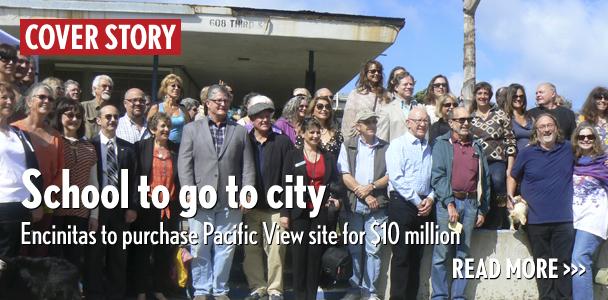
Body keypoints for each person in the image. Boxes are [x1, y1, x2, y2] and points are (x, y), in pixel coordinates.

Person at [178, 84, 255, 300]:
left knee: (225, 248)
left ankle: (220, 289)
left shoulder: (239, 131)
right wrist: (189, 191)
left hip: (230, 199)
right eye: (218, 100)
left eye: (226, 101)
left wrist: (247, 193)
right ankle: (202, 289)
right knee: (200, 245)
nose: (223, 104)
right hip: (200, 198)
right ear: (208, 103)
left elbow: (247, 165)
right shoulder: (191, 129)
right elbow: (184, 164)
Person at [508, 113, 574, 299]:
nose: (546, 129)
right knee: (543, 265)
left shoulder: (569, 148)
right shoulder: (528, 153)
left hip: (564, 219)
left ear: (556, 128)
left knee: (563, 265)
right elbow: (513, 176)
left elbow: (588, 158)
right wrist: (510, 198)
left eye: (549, 125)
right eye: (542, 127)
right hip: (536, 220)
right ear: (536, 131)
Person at [431, 107, 490, 300]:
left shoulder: (477, 146)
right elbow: (438, 177)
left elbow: (485, 179)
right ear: (451, 123)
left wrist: (483, 209)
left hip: (471, 204)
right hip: (447, 204)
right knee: (442, 253)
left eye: (468, 119)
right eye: (461, 120)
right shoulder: (441, 144)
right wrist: (449, 203)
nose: (465, 123)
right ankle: (439, 296)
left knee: (463, 255)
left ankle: (458, 297)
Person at [281, 117, 343, 300]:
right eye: (311, 132)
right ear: (303, 134)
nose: (315, 136)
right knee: (300, 257)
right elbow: (286, 185)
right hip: (299, 213)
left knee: (315, 257)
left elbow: (335, 182)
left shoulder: (328, 157)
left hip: (320, 213)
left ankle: (311, 296)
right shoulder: (293, 156)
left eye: (318, 132)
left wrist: (335, 198)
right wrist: (285, 213)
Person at [85, 103, 138, 300]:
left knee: (118, 255)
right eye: (108, 117)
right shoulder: (89, 146)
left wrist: (132, 207)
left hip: (120, 210)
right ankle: (94, 293)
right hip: (97, 209)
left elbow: (135, 180)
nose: (112, 120)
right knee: (94, 254)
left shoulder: (128, 148)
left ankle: (116, 294)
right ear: (98, 120)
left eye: (115, 116)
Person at [243, 99, 293, 300]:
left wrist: (285, 211)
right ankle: (257, 287)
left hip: (276, 208)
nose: (264, 120)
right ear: (252, 119)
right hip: (251, 207)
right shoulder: (244, 140)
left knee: (276, 250)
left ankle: (275, 289)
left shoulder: (282, 142)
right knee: (251, 250)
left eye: (267, 116)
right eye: (260, 116)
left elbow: (289, 178)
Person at [337, 109, 389, 300]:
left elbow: (390, 175)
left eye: (374, 121)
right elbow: (345, 174)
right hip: (355, 204)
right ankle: (354, 286)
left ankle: (370, 291)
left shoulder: (385, 147)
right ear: (358, 126)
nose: (371, 125)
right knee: (355, 247)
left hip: (378, 206)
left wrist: (372, 187)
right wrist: (365, 194)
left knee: (373, 250)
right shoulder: (348, 145)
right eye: (367, 122)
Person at [386, 107, 435, 300]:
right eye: (418, 120)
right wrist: (417, 201)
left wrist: (430, 199)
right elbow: (397, 178)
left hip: (423, 207)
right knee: (401, 258)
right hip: (402, 206)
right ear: (408, 123)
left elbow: (433, 180)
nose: (422, 124)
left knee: (417, 259)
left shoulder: (429, 148)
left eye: (425, 121)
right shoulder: (397, 145)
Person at [132, 112, 181, 300]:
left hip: (169, 208)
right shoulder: (141, 148)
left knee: (164, 250)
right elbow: (136, 177)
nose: (166, 130)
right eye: (162, 126)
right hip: (147, 207)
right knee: (143, 250)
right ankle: (141, 290)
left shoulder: (176, 149)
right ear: (153, 129)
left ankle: (159, 288)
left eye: (168, 126)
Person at [12, 83, 64, 257]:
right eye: (41, 97)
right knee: (17, 252)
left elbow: (60, 172)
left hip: (46, 204)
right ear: (28, 101)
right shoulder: (14, 129)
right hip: (18, 200)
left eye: (50, 99)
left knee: (39, 253)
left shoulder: (56, 136)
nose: (46, 101)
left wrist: (45, 200)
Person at [49, 99, 98, 274]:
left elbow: (94, 184)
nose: (74, 119)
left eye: (78, 116)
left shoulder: (89, 147)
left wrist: (94, 214)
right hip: (55, 211)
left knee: (74, 260)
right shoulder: (53, 142)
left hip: (80, 212)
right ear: (60, 116)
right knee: (53, 259)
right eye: (70, 115)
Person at [0, 82, 42, 257]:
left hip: (22, 205)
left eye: (11, 98)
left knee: (14, 260)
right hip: (2, 204)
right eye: (4, 98)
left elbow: (33, 168)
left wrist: (37, 202)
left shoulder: (20, 133)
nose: (9, 102)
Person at [469, 82, 516, 229]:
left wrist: (510, 166)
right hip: (476, 160)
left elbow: (510, 140)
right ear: (475, 96)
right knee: (480, 187)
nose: (483, 96)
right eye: (480, 93)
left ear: (490, 96)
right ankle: (482, 219)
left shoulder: (500, 114)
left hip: (496, 160)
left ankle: (500, 217)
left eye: (485, 94)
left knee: (496, 181)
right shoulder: (470, 117)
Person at [570, 123, 608, 300]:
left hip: (594, 218)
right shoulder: (572, 162)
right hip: (574, 218)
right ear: (576, 140)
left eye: (590, 136)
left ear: (595, 140)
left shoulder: (604, 162)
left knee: (579, 259)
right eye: (581, 136)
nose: (586, 139)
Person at [341, 60, 386, 138]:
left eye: (379, 71)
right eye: (373, 71)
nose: (376, 73)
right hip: (360, 139)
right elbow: (348, 121)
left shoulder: (386, 95)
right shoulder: (355, 94)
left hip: (381, 139)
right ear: (366, 73)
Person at [147, 74, 191, 144]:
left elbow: (189, 129)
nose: (177, 88)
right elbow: (148, 128)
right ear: (165, 88)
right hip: (160, 146)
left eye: (179, 87)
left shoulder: (183, 109)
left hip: (178, 149)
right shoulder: (156, 108)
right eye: (173, 85)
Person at [381, 71, 419, 141]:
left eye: (411, 84)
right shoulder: (387, 110)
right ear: (396, 87)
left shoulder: (420, 108)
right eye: (405, 84)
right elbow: (382, 140)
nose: (409, 87)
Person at [82, 74, 114, 139]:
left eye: (110, 87)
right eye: (104, 86)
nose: (107, 89)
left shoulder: (113, 110)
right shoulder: (83, 107)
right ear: (94, 88)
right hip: (87, 147)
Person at [505, 83, 533, 152]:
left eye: (521, 96)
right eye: (515, 96)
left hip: (533, 156)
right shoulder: (505, 118)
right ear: (510, 97)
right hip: (515, 158)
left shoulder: (531, 118)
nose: (518, 99)